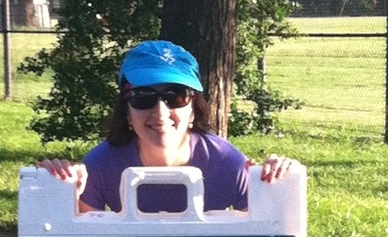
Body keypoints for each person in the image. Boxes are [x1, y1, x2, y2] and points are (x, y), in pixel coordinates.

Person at [38, 40, 293, 213]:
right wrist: (61, 191)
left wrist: (277, 182)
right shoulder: (100, 167)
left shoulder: (227, 163)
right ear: (127, 112)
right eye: (143, 97)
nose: (160, 112)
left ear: (194, 108)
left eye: (175, 96)